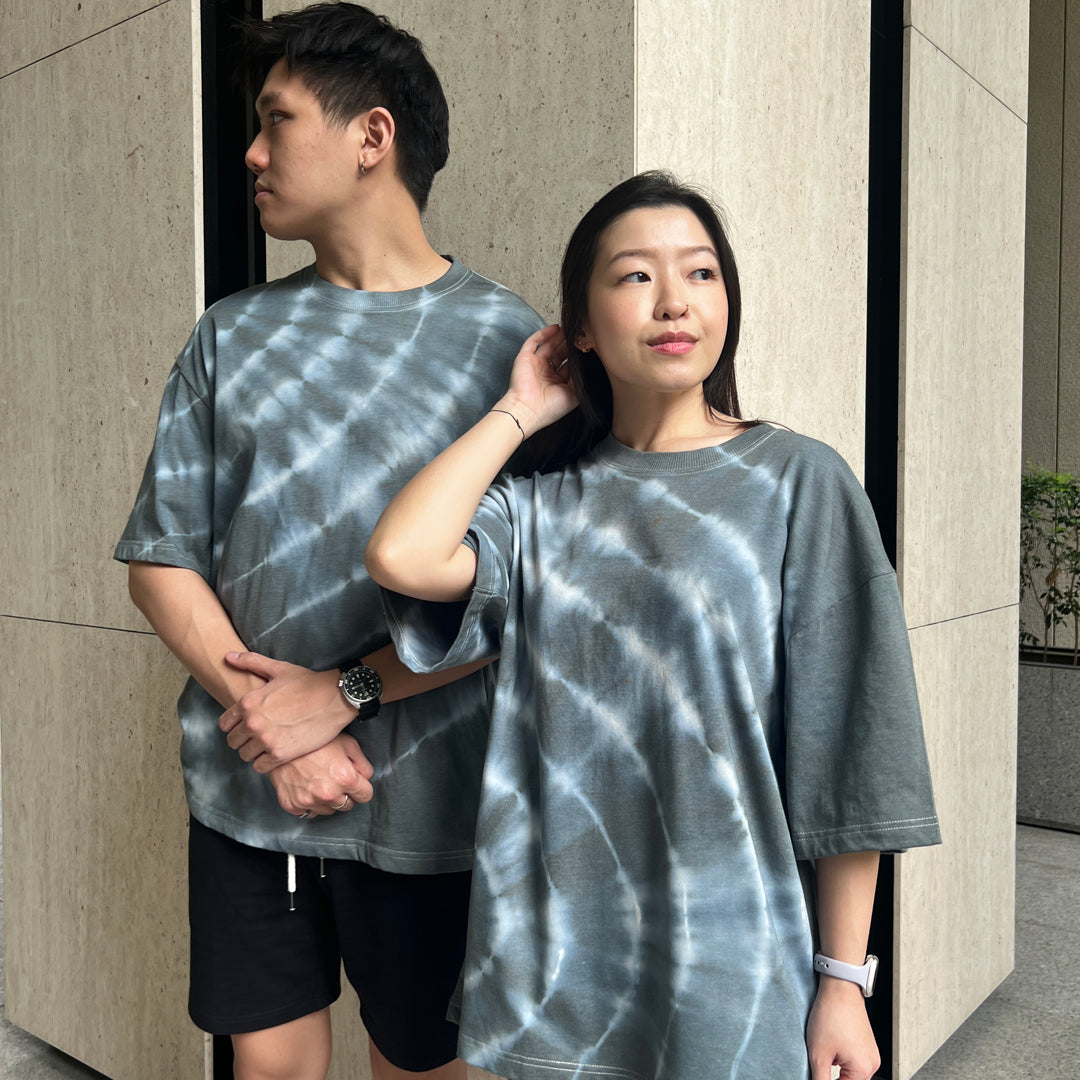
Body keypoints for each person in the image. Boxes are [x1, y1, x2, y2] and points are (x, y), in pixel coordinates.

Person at [365, 171, 942, 1080]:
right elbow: (402, 555)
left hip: (732, 969)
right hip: (549, 972)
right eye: (636, 276)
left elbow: (852, 751)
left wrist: (843, 981)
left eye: (701, 273)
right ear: (580, 328)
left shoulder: (798, 481)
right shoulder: (539, 508)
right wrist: (520, 411)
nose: (674, 300)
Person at [114, 5, 542, 1079]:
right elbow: (162, 558)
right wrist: (280, 728)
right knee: (271, 1070)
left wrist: (343, 694)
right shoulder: (231, 334)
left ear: (372, 136)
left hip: (439, 803)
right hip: (248, 792)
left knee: (424, 1068)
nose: (252, 154)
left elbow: (527, 596)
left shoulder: (513, 350)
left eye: (277, 120)